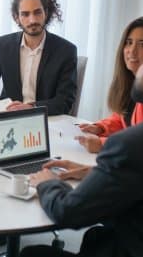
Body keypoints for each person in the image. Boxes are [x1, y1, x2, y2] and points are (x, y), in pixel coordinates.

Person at [20, 63, 143, 257]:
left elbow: (69, 213)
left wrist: (48, 183)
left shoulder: (130, 144)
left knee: (31, 254)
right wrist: (93, 172)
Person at [75, 17, 143, 153]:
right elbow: (123, 117)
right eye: (129, 43)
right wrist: (101, 128)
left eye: (142, 44)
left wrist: (103, 143)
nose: (132, 50)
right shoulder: (132, 82)